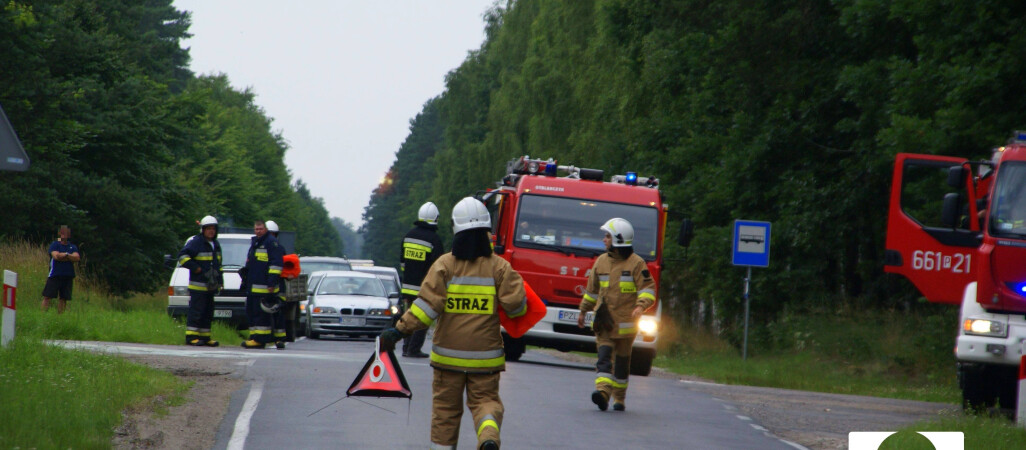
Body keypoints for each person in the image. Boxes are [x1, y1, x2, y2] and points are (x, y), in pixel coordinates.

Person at [381, 197, 528, 450]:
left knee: (445, 413)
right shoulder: (500, 268)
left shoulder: (444, 265)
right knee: (486, 403)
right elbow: (516, 308)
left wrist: (398, 331)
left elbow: (425, 308)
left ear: (456, 229)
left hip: (447, 360)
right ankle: (488, 436)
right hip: (486, 359)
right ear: (486, 231)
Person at [576, 218, 656, 412]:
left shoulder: (636, 263)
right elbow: (592, 291)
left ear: (618, 240)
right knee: (603, 357)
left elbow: (648, 289)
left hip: (626, 325)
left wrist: (640, 306)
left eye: (607, 236)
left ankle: (619, 398)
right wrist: (583, 310)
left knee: (621, 363)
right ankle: (602, 393)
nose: (604, 240)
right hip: (605, 322)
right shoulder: (601, 262)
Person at [398, 201, 445, 358]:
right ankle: (414, 349)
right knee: (422, 319)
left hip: (407, 287)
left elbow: (403, 263)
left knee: (409, 316)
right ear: (435, 218)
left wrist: (410, 276)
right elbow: (439, 267)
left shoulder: (408, 236)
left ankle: (405, 347)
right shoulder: (434, 239)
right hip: (424, 288)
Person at [177, 216, 224, 346]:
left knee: (208, 312)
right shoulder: (196, 242)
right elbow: (182, 256)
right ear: (203, 230)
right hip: (198, 286)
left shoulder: (216, 244)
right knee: (196, 312)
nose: (211, 231)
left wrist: (220, 281)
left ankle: (205, 337)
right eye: (208, 229)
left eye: (213, 229)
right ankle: (191, 337)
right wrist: (196, 268)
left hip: (210, 286)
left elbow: (218, 264)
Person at [241, 220, 285, 349]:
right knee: (252, 312)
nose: (258, 231)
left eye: (260, 229)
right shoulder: (255, 243)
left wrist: (271, 283)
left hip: (264, 287)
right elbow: (252, 264)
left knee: (261, 315)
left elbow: (275, 265)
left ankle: (260, 340)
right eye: (256, 229)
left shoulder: (271, 243)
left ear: (265, 229)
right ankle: (254, 337)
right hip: (253, 286)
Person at [41, 225, 80, 314]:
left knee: (63, 298)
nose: (64, 235)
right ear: (59, 234)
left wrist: (65, 255)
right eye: (63, 233)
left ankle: (60, 316)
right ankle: (43, 314)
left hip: (68, 275)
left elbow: (77, 258)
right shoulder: (55, 244)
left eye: (66, 233)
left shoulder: (72, 246)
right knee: (48, 296)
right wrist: (69, 257)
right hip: (55, 274)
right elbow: (56, 256)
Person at [265, 220, 287, 350]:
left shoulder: (279, 248)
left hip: (278, 286)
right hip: (266, 285)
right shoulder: (259, 247)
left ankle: (280, 339)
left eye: (272, 235)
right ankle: (268, 337)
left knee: (278, 312)